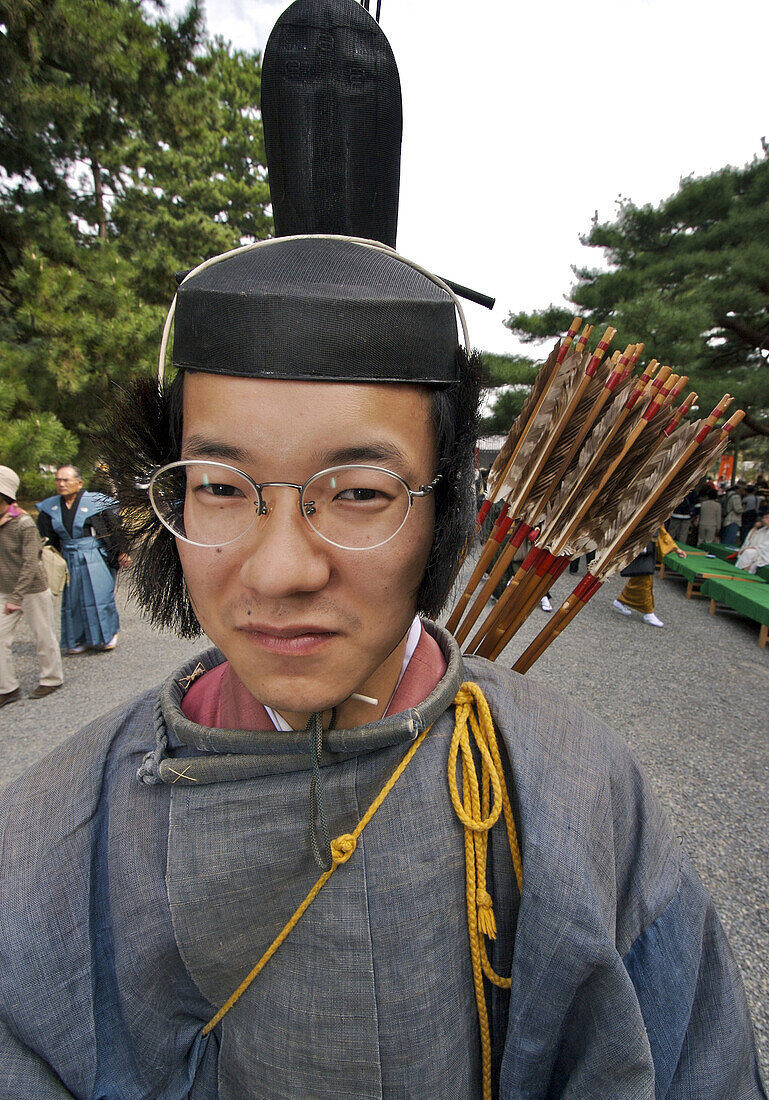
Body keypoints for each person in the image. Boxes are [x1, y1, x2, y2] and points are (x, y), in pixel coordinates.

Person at [0, 2, 765, 1097]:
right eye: (219, 486)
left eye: (356, 491)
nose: (278, 567)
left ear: (444, 502)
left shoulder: (579, 795)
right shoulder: (49, 840)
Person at [36, 464, 129, 654]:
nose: (61, 484)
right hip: (69, 555)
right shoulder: (50, 507)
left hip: (93, 553)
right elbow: (47, 537)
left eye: (66, 480)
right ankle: (78, 639)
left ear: (79, 483)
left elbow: (114, 528)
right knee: (73, 600)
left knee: (101, 596)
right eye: (58, 480)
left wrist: (122, 551)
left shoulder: (94, 501)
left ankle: (107, 635)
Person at [0, 466, 63, 706]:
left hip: (32, 590)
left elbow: (30, 563)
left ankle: (51, 678)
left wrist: (16, 597)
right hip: (5, 590)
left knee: (43, 635)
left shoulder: (23, 524)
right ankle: (7, 688)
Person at [613, 526, 685, 627]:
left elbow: (661, 530)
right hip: (640, 543)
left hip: (648, 545)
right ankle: (648, 612)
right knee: (645, 580)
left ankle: (621, 600)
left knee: (639, 576)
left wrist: (675, 548)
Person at [735, 506, 769, 573]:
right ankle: (741, 571)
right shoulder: (763, 529)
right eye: (765, 518)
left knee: (749, 552)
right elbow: (751, 539)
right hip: (759, 551)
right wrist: (755, 528)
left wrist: (753, 548)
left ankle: (744, 572)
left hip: (764, 553)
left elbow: (766, 546)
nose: (765, 520)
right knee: (749, 552)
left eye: (767, 518)